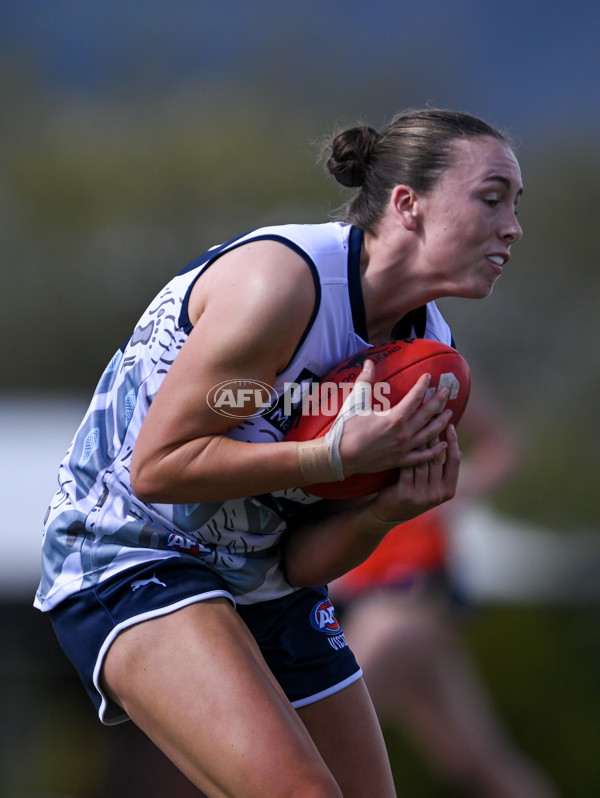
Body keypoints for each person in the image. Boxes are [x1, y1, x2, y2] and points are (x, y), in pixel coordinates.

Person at [35, 108, 523, 797]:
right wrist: (332, 457)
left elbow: (300, 563)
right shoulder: (284, 287)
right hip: (134, 552)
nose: (513, 226)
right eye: (492, 197)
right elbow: (160, 467)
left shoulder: (425, 354)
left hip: (264, 581)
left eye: (515, 205)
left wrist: (380, 515)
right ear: (409, 205)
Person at [331, 393, 561, 798]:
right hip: (346, 587)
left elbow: (503, 446)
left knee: (323, 733)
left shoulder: (428, 361)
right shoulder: (321, 358)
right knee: (473, 760)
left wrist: (452, 494)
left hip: (406, 594)